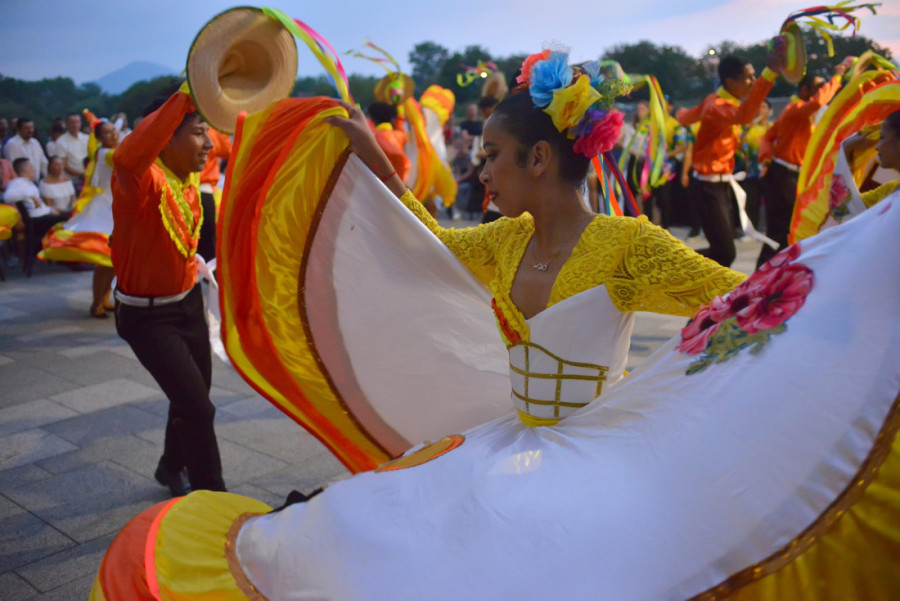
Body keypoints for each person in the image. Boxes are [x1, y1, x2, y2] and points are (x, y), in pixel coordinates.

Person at [110, 84, 224, 497]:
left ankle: (170, 466)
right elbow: (127, 155)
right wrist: (188, 88)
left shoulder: (188, 178)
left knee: (192, 397)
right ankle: (214, 503)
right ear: (165, 137)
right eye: (198, 132)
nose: (209, 144)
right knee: (198, 408)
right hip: (147, 318)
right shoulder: (141, 183)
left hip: (189, 303)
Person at [677, 53, 781, 266]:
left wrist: (680, 115)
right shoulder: (717, 106)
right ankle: (674, 266)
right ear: (731, 82)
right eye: (749, 78)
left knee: (723, 252)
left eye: (755, 77)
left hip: (720, 185)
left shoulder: (715, 102)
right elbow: (743, 116)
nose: (752, 82)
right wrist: (769, 74)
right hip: (708, 188)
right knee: (725, 253)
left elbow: (687, 117)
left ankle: (684, 276)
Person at [756, 65, 846, 268]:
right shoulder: (795, 109)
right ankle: (757, 280)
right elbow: (819, 101)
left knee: (784, 231)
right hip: (783, 175)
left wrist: (766, 159)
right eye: (819, 86)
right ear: (804, 91)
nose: (823, 89)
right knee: (785, 230)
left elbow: (769, 136)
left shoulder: (803, 115)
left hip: (791, 176)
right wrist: (838, 77)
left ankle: (763, 279)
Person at [4, 158, 66, 239]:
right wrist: (31, 196)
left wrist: (50, 210)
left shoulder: (30, 183)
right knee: (65, 221)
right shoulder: (17, 182)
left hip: (44, 216)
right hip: (36, 220)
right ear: (25, 169)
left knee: (67, 217)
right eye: (32, 167)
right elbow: (7, 197)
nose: (34, 169)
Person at [197, 127, 232, 261]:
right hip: (202, 190)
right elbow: (226, 149)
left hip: (201, 190)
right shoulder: (209, 129)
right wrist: (219, 125)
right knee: (206, 248)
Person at [368, 101, 410, 183]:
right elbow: (400, 122)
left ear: (373, 120)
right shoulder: (400, 135)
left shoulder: (373, 138)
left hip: (382, 184)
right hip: (401, 183)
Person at [54, 113, 90, 186]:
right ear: (67, 124)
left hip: (89, 177)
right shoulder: (61, 142)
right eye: (72, 122)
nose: (75, 125)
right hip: (72, 180)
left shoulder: (87, 138)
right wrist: (80, 175)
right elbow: (63, 164)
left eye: (77, 122)